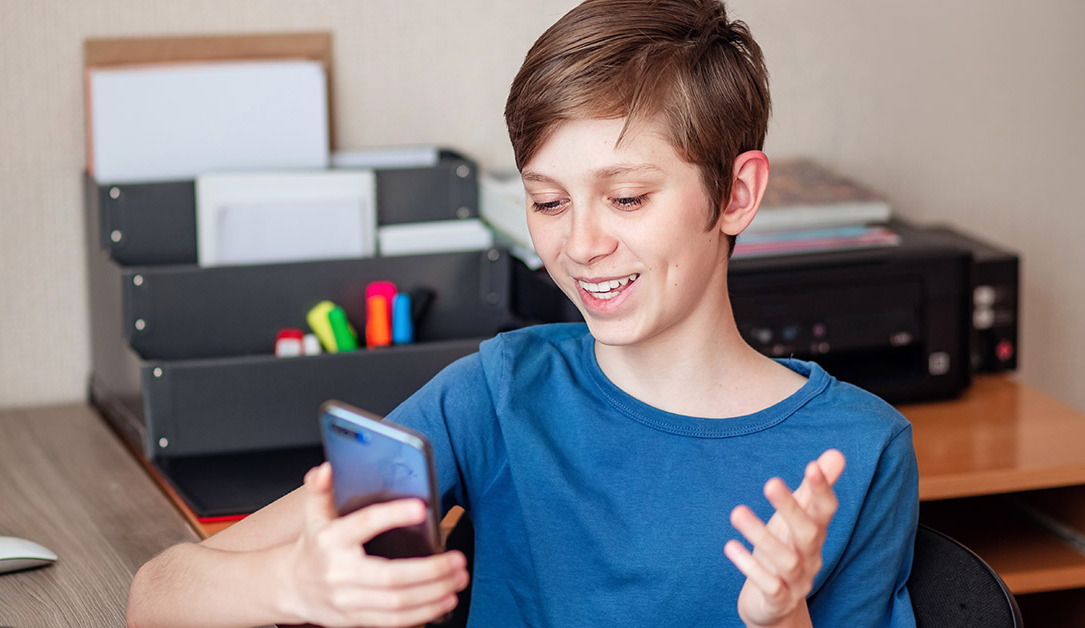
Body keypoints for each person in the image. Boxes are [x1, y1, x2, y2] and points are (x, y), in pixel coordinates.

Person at [126, 0, 919, 626]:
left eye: (627, 198)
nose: (580, 245)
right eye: (548, 201)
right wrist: (292, 583)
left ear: (736, 194)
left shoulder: (860, 449)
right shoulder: (498, 392)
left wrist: (781, 618)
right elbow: (158, 594)